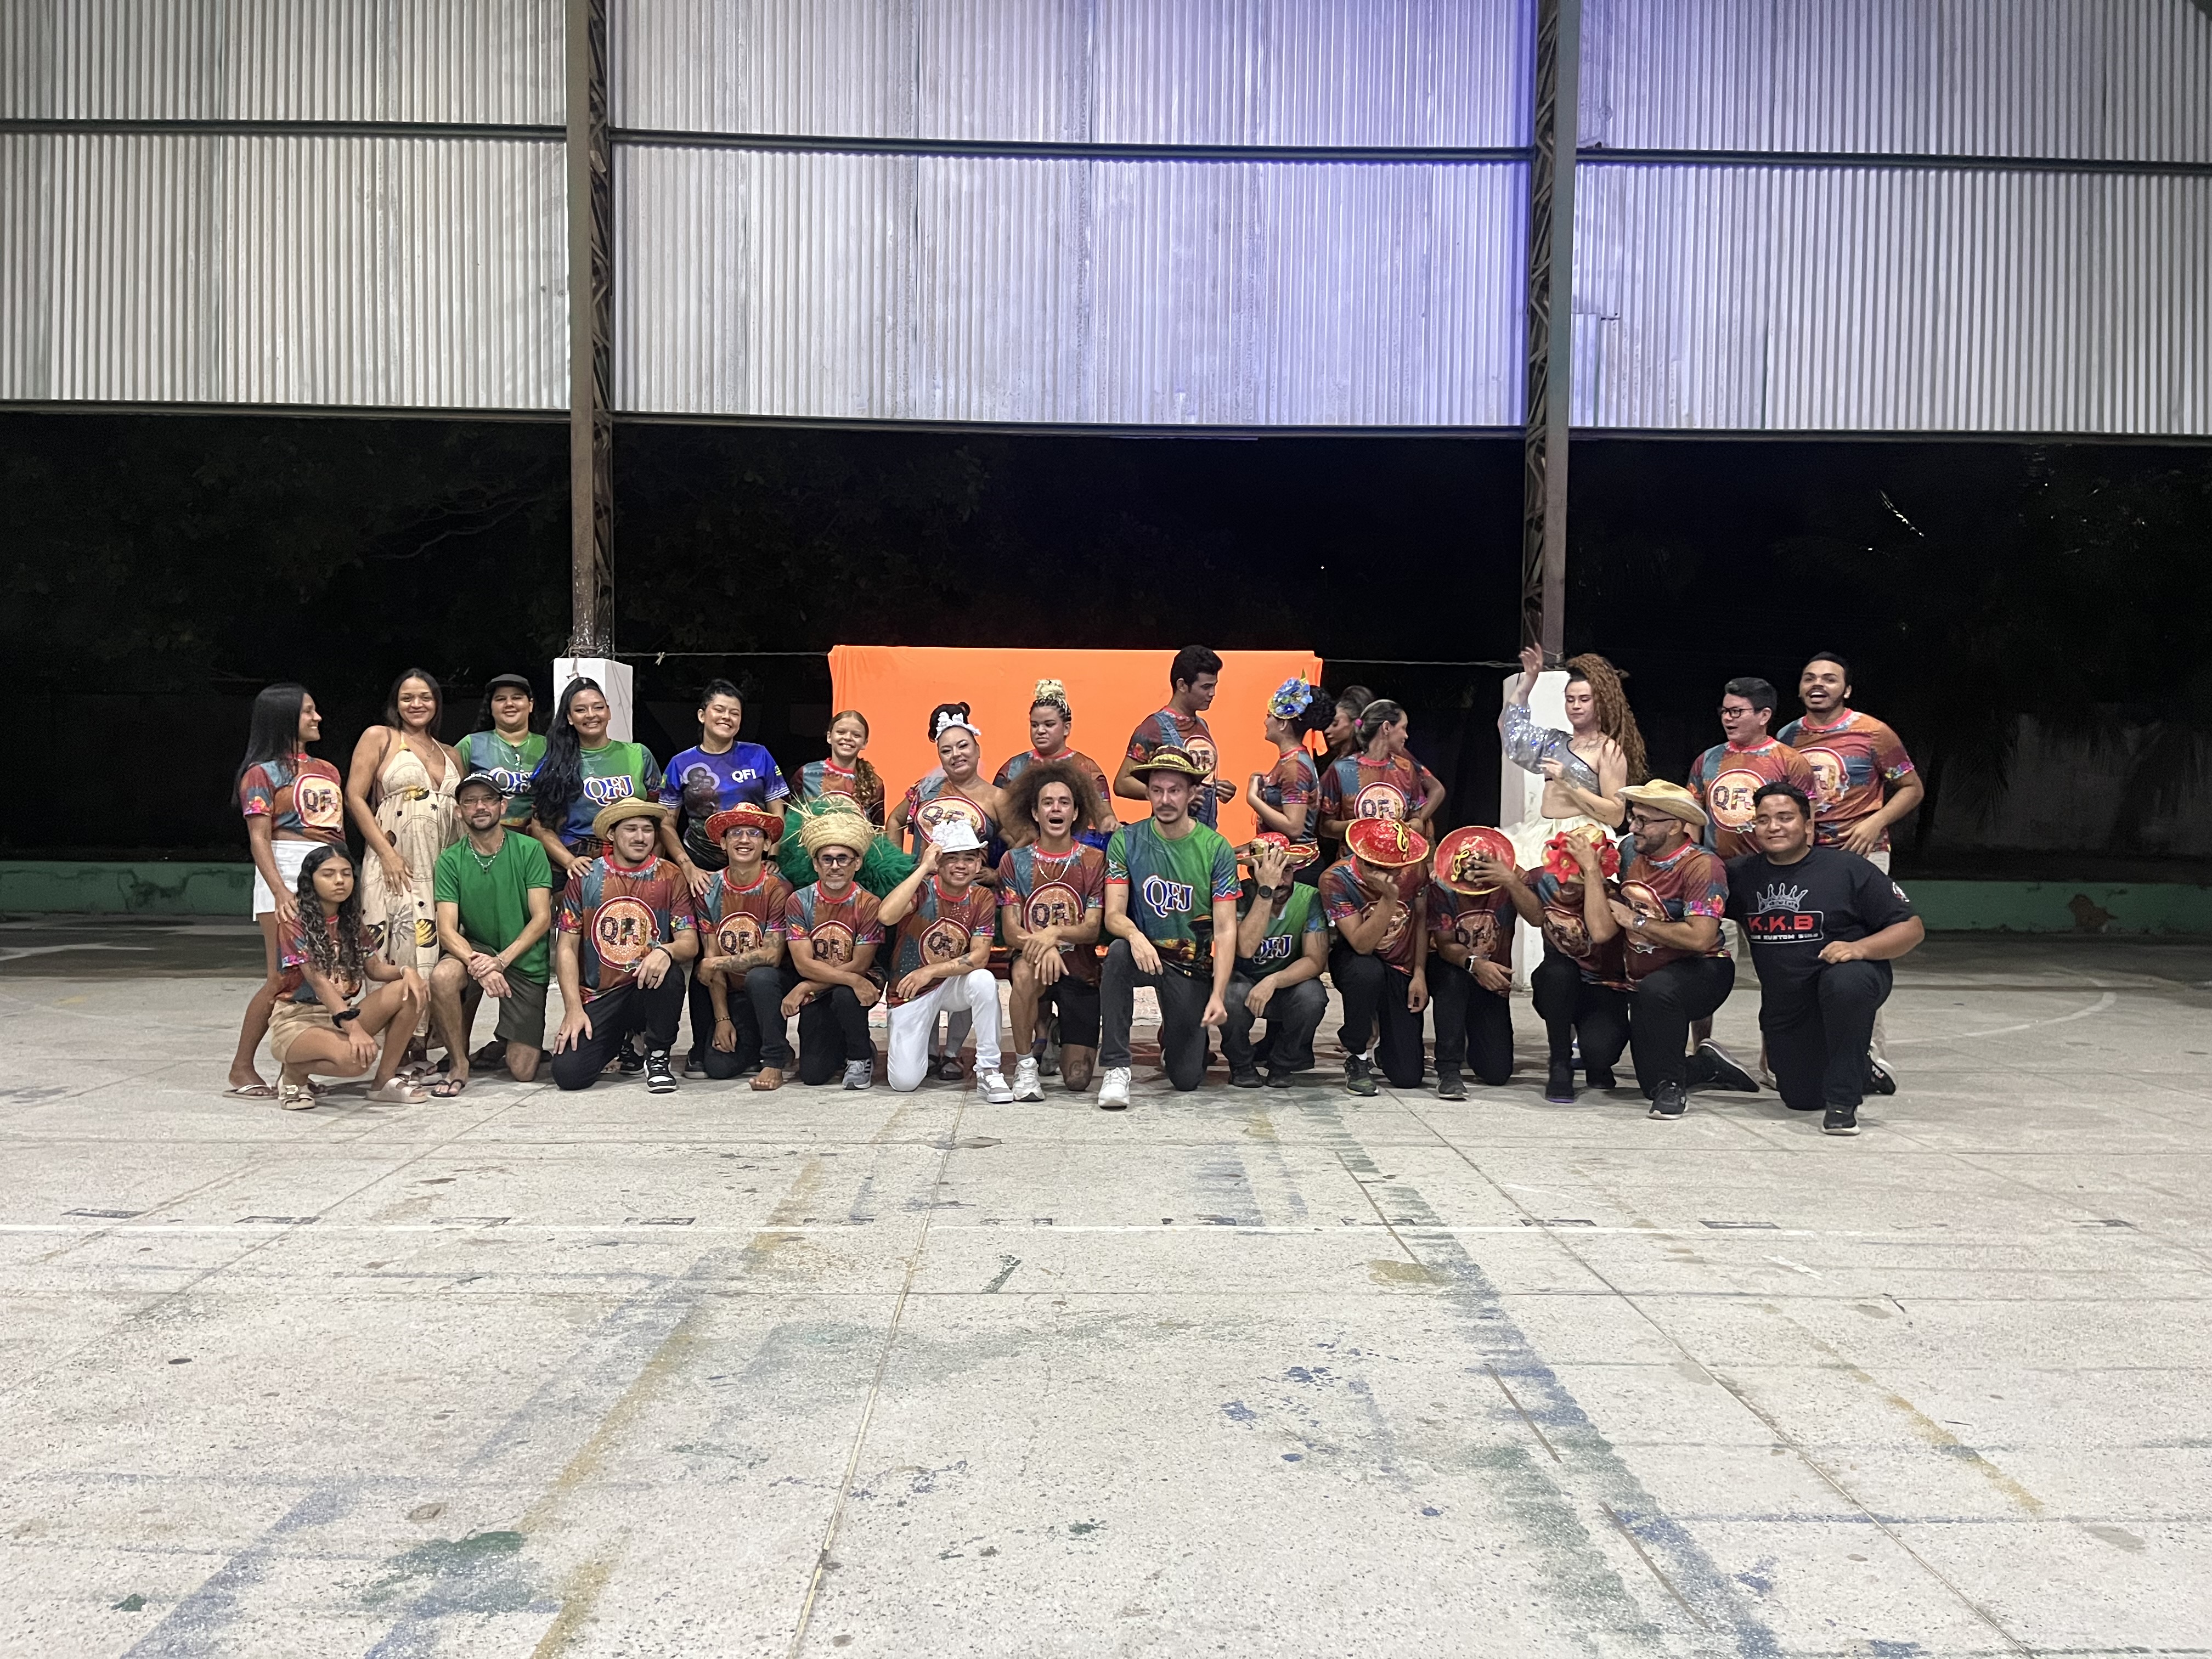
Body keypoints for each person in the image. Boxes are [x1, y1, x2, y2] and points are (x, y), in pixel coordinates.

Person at [1728, 783, 1924, 1136]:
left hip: (1852, 978)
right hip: (1789, 1000)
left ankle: (1843, 1103)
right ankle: (1861, 1069)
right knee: (1800, 1098)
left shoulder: (1847, 869)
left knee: (1844, 983)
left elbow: (1911, 928)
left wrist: (1860, 949)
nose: (1774, 827)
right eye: (1763, 820)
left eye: (1785, 818)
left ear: (1808, 825)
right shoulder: (1740, 875)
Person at [1777, 651, 1923, 1080]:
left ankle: (1870, 1055)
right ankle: (1802, 1050)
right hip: (1806, 858)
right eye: (1809, 678)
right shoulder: (1788, 737)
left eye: (1829, 678)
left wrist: (1875, 821)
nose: (1818, 685)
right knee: (1803, 950)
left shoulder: (1874, 732)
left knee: (1861, 952)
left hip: (1862, 855)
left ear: (1847, 689)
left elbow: (1911, 788)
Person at [1583, 781, 1754, 1121]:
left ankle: (1672, 1088)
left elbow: (1700, 939)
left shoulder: (1703, 865)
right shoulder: (1630, 852)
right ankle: (1706, 1066)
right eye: (1633, 818)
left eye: (1644, 821)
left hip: (1703, 969)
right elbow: (1603, 928)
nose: (1633, 827)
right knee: (1637, 1074)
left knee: (1658, 993)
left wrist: (1637, 922)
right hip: (1644, 977)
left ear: (1675, 826)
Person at [1097, 747, 1241, 1108]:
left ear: (1192, 793)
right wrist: (1134, 935)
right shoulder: (1126, 841)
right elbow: (1113, 915)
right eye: (1157, 790)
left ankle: (1178, 1043)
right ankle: (1116, 1067)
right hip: (1143, 952)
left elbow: (1226, 929)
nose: (1165, 799)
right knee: (1118, 954)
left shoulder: (1215, 848)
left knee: (1187, 1079)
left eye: (1174, 790)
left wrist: (1219, 994)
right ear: (1147, 793)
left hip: (1190, 965)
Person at [227, 684, 347, 1098]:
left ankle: (294, 1070)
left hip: (326, 870)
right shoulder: (261, 774)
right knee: (283, 976)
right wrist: (279, 891)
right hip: (285, 871)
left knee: (320, 975)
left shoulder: (328, 770)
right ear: (283, 718)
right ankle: (242, 1067)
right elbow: (259, 837)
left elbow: (334, 830)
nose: (317, 718)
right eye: (308, 712)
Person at [549, 799, 698, 1093]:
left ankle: (657, 1055)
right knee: (569, 1075)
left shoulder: (671, 875)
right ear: (612, 834)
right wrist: (573, 1009)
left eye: (647, 830)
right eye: (631, 829)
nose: (640, 837)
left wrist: (665, 951)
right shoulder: (585, 877)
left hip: (646, 987)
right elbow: (566, 947)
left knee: (669, 973)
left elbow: (689, 942)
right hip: (601, 994)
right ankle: (626, 1041)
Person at [266, 846, 430, 1110]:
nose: (339, 881)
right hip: (297, 1019)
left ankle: (384, 1082)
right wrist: (354, 1030)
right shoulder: (293, 919)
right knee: (356, 1062)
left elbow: (374, 969)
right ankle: (294, 1074)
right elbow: (318, 981)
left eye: (346, 874)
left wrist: (406, 972)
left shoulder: (349, 919)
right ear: (310, 880)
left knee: (409, 990)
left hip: (341, 1013)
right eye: (328, 874)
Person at [428, 771, 555, 1089]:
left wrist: (501, 962)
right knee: (443, 976)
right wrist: (479, 964)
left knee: (523, 1070)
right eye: (470, 801)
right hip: (478, 950)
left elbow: (542, 919)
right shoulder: (450, 860)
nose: (480, 807)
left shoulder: (530, 849)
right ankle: (459, 1062)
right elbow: (447, 930)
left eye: (488, 799)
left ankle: (504, 1043)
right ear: (459, 811)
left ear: (503, 806)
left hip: (522, 957)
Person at [346, 669, 461, 1014]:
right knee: (399, 948)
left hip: (442, 867)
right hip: (397, 864)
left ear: (436, 703)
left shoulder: (452, 754)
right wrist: (387, 854)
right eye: (407, 698)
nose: (416, 704)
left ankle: (428, 1038)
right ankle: (396, 1037)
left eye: (425, 697)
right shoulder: (380, 737)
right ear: (396, 704)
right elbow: (354, 797)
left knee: (438, 950)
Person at [997, 759, 1109, 1099]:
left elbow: (1092, 929)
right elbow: (1012, 932)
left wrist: (1054, 934)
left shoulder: (1094, 860)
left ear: (1076, 813)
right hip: (1033, 962)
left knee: (1077, 1080)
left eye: (1064, 802)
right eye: (1047, 803)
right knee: (1023, 974)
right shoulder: (1014, 861)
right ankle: (1025, 1066)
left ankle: (1055, 1030)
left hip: (1080, 970)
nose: (1056, 809)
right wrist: (1044, 946)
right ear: (1035, 812)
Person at [878, 821, 1012, 1099]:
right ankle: (926, 1050)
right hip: (911, 989)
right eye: (952, 858)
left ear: (979, 864)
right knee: (904, 1081)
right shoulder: (922, 890)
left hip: (948, 984)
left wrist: (932, 971)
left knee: (983, 980)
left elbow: (979, 956)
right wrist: (922, 869)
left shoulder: (982, 897)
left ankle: (989, 1069)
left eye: (969, 858)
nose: (961, 866)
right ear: (938, 862)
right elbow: (886, 916)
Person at [1498, 825, 1630, 1104]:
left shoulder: (1615, 895)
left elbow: (1601, 933)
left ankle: (1597, 1063)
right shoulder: (1543, 880)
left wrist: (1591, 874)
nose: (1569, 883)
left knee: (1601, 1052)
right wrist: (1511, 880)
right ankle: (1560, 1061)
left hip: (1603, 985)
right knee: (1558, 973)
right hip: (1560, 982)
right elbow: (1535, 916)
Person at [1499, 647, 1641, 866]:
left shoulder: (1607, 750)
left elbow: (1616, 814)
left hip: (1583, 835)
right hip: (1541, 831)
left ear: (1600, 702)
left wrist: (1568, 782)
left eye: (1584, 699)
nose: (1576, 706)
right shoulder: (1554, 742)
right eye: (1570, 699)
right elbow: (1510, 731)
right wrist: (1529, 681)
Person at [686, 804, 796, 1087]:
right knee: (719, 1067)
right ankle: (738, 1043)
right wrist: (722, 1019)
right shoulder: (710, 889)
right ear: (723, 843)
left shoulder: (778, 888)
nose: (744, 840)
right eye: (735, 833)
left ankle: (773, 1060)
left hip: (771, 987)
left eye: (754, 833)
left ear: (767, 844)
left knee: (761, 976)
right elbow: (710, 959)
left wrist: (716, 963)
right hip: (731, 990)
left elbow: (772, 955)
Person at [1320, 818, 1431, 1096]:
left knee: (1407, 1076)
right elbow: (1361, 944)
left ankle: (1388, 1045)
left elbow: (1421, 920)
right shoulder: (1336, 879)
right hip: (1358, 958)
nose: (1397, 874)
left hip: (1401, 962)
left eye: (1399, 868)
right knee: (1367, 972)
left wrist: (1419, 972)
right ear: (1365, 861)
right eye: (1388, 869)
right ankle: (1357, 1055)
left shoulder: (1414, 867)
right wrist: (1389, 898)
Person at [782, 808, 887, 1089]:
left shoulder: (869, 904)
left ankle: (860, 1056)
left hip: (860, 981)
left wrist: (807, 987)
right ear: (816, 865)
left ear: (857, 863)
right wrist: (814, 984)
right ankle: (844, 1044)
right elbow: (803, 964)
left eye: (843, 858)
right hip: (823, 979)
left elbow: (860, 966)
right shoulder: (799, 901)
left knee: (845, 995)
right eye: (827, 859)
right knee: (813, 1075)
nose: (835, 866)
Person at [660, 678, 791, 892]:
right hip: (702, 870)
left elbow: (777, 813)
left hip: (753, 867)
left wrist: (773, 856)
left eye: (735, 713)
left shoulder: (759, 755)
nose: (727, 717)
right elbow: (666, 823)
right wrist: (688, 866)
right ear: (702, 715)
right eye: (719, 710)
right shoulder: (680, 763)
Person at [531, 678, 665, 878]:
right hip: (577, 866)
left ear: (608, 712)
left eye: (598, 707)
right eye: (581, 710)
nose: (591, 715)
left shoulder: (639, 754)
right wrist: (569, 861)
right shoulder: (555, 763)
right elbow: (540, 826)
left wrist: (652, 864)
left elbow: (658, 817)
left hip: (634, 860)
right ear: (569, 718)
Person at [1223, 837, 1329, 1089]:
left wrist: (1273, 981)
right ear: (1252, 873)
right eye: (1270, 871)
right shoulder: (1238, 895)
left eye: (1286, 870)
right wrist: (1265, 891)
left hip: (1286, 983)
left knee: (1312, 996)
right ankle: (1241, 1064)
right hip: (1244, 980)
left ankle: (1283, 1062)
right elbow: (1245, 949)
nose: (1280, 880)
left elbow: (1315, 961)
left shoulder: (1309, 898)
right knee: (1229, 996)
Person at [1426, 827, 1521, 1096]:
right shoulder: (1442, 886)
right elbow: (1445, 944)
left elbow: (1537, 917)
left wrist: (1512, 881)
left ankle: (1474, 1040)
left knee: (1496, 1072)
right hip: (1453, 964)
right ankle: (1448, 1068)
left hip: (1492, 971)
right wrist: (1474, 964)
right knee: (1453, 981)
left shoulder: (1513, 876)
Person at [1688, 677, 1818, 862]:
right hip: (1716, 867)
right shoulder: (1707, 759)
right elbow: (1692, 817)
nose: (1727, 718)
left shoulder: (1791, 761)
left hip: (1771, 868)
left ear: (1764, 716)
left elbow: (1807, 822)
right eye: (1724, 711)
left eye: (1736, 712)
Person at [1116, 646, 1238, 830]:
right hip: (1169, 836)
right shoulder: (1153, 727)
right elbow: (1122, 783)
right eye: (1206, 687)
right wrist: (1172, 795)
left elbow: (1198, 781)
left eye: (1214, 686)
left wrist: (1217, 788)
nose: (1212, 693)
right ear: (1182, 685)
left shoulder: (1202, 725)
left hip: (1205, 834)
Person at [995, 680, 1115, 851]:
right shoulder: (1013, 767)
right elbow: (997, 818)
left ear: (1067, 728)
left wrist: (1109, 820)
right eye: (1035, 725)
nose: (1040, 731)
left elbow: (1104, 815)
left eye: (1049, 725)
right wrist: (1018, 845)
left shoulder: (1086, 767)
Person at [1318, 697, 1446, 839]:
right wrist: (1356, 827)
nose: (1406, 736)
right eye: (1403, 728)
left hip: (1397, 851)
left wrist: (1410, 826)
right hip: (1354, 852)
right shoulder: (1342, 770)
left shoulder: (1406, 767)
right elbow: (1325, 826)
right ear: (1386, 728)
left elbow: (1418, 817)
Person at [889, 704, 1002, 861]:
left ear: (978, 750)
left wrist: (998, 872)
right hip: (921, 876)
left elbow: (1024, 839)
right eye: (946, 751)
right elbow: (895, 820)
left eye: (963, 746)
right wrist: (896, 866)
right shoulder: (925, 788)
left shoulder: (998, 797)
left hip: (969, 877)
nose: (956, 754)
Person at [1245, 676, 1329, 863]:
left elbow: (1294, 828)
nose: (1265, 722)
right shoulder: (1290, 761)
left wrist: (1253, 799)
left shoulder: (1295, 767)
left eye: (1269, 716)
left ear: (1283, 724)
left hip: (1296, 865)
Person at [453, 673, 546, 833]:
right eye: (501, 699)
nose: (509, 704)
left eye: (517, 698)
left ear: (530, 705)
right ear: (491, 707)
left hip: (539, 836)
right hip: (486, 837)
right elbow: (454, 795)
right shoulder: (471, 744)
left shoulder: (550, 746)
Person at [796, 709, 887, 826]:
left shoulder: (875, 784)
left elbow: (877, 828)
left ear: (865, 743)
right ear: (829, 737)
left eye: (856, 735)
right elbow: (791, 817)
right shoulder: (806, 773)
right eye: (841, 732)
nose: (848, 738)